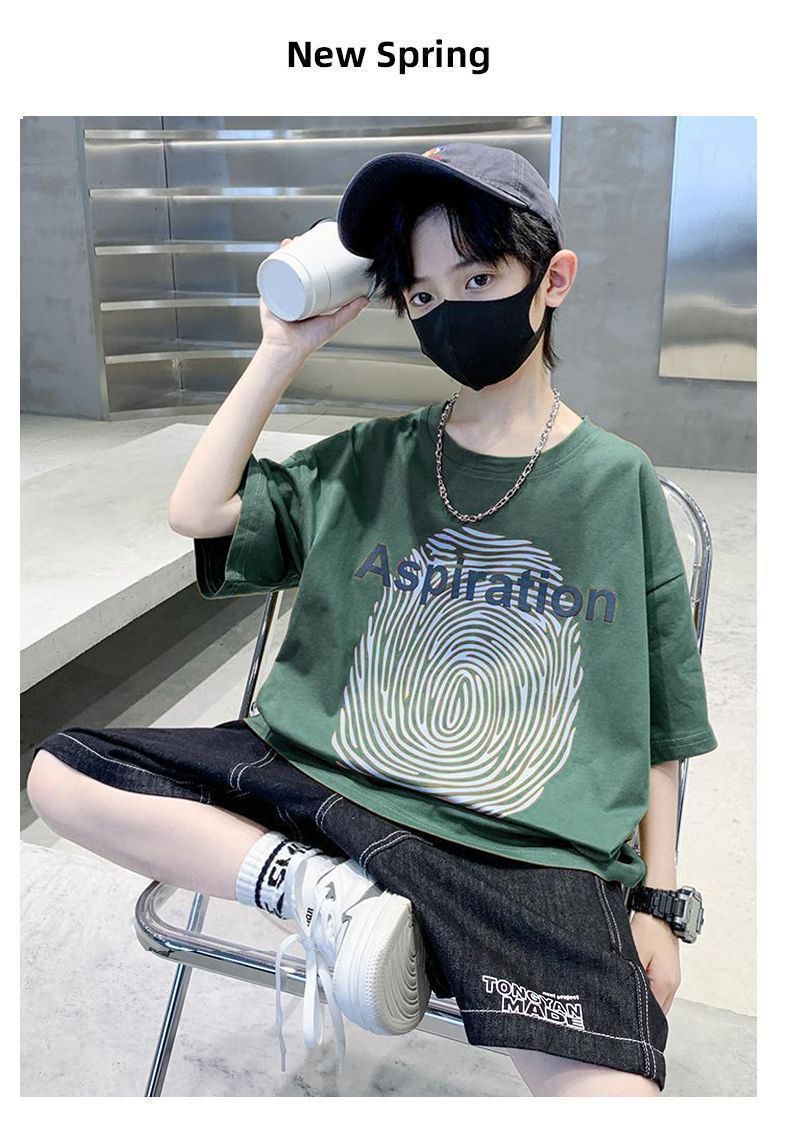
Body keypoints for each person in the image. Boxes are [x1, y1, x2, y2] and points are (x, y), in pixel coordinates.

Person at [27, 142, 717, 1097]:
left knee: (617, 1098)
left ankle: (351, 905)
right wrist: (282, 348)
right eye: (422, 295)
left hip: (521, 849)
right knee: (60, 774)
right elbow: (199, 510)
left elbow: (662, 722)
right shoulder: (374, 458)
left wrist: (659, 904)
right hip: (322, 792)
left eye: (478, 278)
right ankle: (326, 898)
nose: (448, 310)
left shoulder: (616, 482)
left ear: (552, 281)